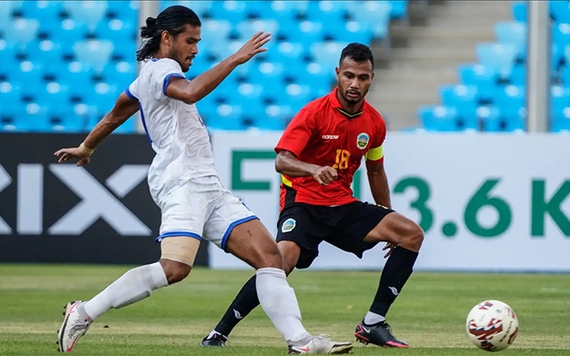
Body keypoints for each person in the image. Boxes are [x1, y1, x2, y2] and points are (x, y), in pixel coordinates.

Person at [54, 6, 353, 354]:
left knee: (270, 257)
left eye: (198, 42)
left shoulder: (146, 76)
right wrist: (236, 58)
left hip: (207, 184)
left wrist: (87, 146)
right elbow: (193, 91)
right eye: (190, 41)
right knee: (175, 268)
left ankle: (301, 342)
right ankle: (85, 311)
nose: (195, 49)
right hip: (182, 182)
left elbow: (117, 111)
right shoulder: (163, 70)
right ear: (166, 39)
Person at [201, 43, 424, 349]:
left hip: (343, 205)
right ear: (338, 74)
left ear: (372, 78)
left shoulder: (374, 123)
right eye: (349, 76)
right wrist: (312, 169)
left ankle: (372, 323)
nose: (355, 84)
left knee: (410, 234)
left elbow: (375, 171)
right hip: (303, 202)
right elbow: (282, 160)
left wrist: (386, 212)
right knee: (278, 262)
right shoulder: (314, 113)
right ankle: (220, 332)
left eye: (362, 77)